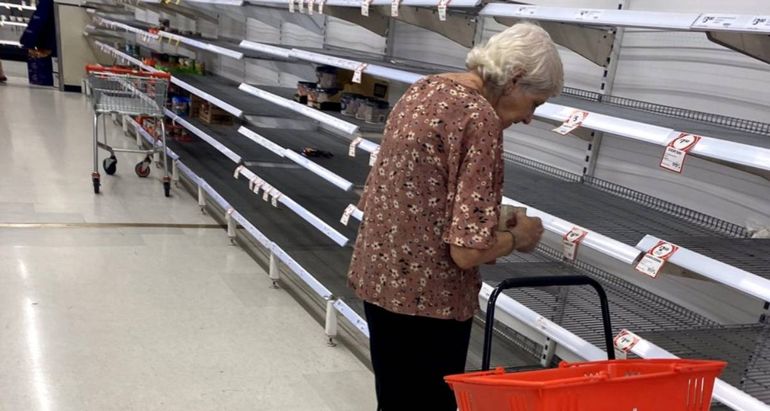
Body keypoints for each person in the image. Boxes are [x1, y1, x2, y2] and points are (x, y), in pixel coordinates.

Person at [347, 22, 564, 411]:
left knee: (394, 399)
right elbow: (465, 252)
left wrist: (486, 219)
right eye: (536, 103)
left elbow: (409, 193)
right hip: (430, 303)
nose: (530, 118)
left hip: (380, 281)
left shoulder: (424, 90)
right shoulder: (480, 119)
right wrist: (520, 238)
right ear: (514, 79)